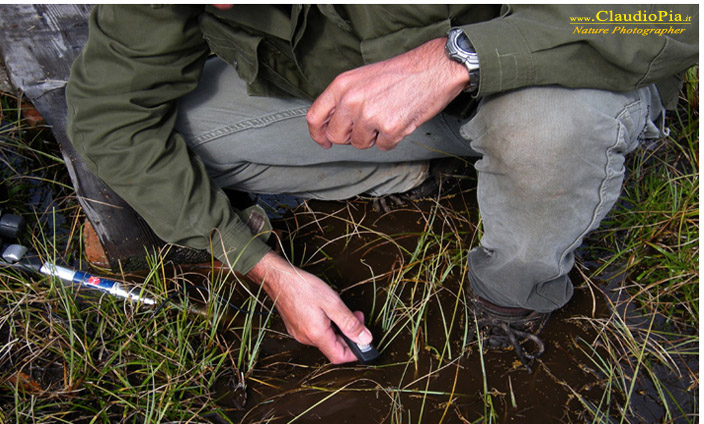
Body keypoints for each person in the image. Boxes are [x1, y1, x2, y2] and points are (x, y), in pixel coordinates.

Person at [66, 5, 698, 366]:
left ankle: (513, 294)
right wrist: (261, 266)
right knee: (192, 129)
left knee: (548, 133)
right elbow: (111, 117)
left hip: (538, 87)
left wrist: (459, 57)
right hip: (386, 110)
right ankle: (433, 169)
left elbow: (669, 17)